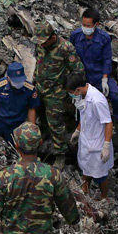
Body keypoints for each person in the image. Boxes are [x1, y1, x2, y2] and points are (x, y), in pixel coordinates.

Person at [70, 8, 118, 121]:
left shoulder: (104, 38)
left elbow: (107, 60)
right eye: (83, 24)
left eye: (88, 25)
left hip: (99, 75)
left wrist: (105, 79)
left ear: (96, 24)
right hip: (83, 76)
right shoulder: (75, 36)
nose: (85, 28)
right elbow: (71, 56)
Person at [34, 23, 81, 155]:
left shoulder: (66, 48)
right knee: (41, 119)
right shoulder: (40, 44)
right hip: (39, 89)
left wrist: (67, 90)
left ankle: (60, 152)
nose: (41, 45)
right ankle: (42, 143)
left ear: (53, 37)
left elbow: (78, 70)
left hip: (55, 93)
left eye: (44, 42)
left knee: (56, 124)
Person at [66, 74, 113, 198]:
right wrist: (77, 131)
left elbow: (108, 122)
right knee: (86, 168)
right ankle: (85, 190)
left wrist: (106, 146)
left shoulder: (97, 100)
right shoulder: (83, 96)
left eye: (72, 93)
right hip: (87, 139)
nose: (71, 95)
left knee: (100, 174)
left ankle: (104, 198)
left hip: (98, 142)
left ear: (78, 89)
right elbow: (85, 116)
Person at [0, 62, 41, 145]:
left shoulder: (30, 90)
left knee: (12, 150)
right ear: (8, 78)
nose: (19, 83)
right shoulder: (0, 86)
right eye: (16, 81)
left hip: (16, 126)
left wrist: (32, 129)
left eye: (20, 80)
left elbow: (31, 109)